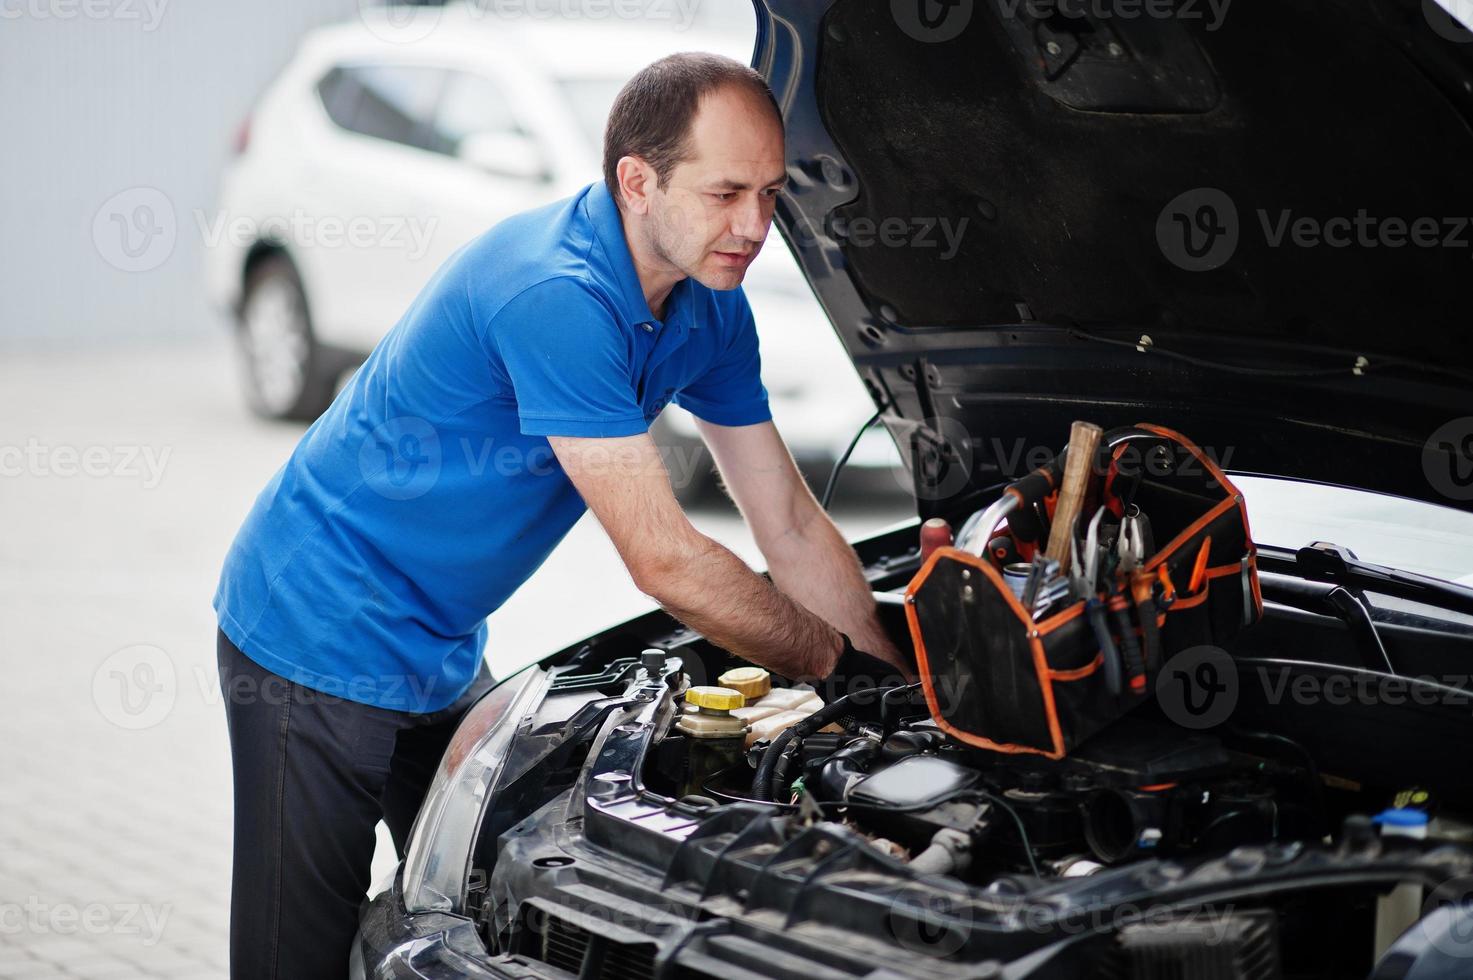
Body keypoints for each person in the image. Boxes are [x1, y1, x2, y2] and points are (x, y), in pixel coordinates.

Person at [212, 52, 908, 978]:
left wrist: (893, 690)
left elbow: (786, 520)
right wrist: (831, 665)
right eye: (726, 191)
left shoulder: (709, 303)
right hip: (318, 624)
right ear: (635, 181)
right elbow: (664, 561)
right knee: (293, 956)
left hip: (438, 640)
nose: (753, 227)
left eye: (771, 194)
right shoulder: (557, 295)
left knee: (476, 903)